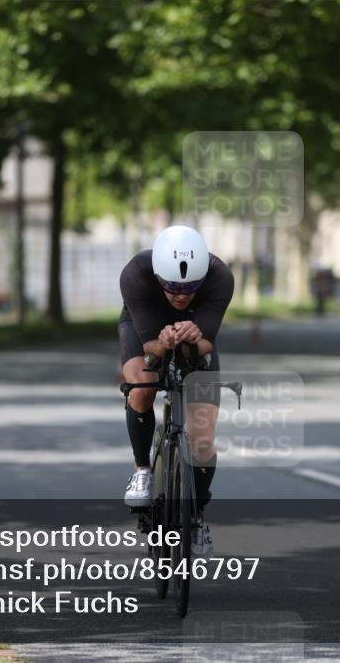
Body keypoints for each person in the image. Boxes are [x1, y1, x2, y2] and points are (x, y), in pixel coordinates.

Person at [118, 225, 234, 558]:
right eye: (171, 287)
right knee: (142, 386)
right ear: (157, 275)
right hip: (145, 326)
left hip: (197, 331)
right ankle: (142, 471)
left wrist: (195, 338)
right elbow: (153, 351)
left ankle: (195, 516)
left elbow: (206, 348)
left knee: (203, 435)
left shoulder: (220, 277)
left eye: (189, 288)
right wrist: (162, 341)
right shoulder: (136, 275)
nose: (180, 295)